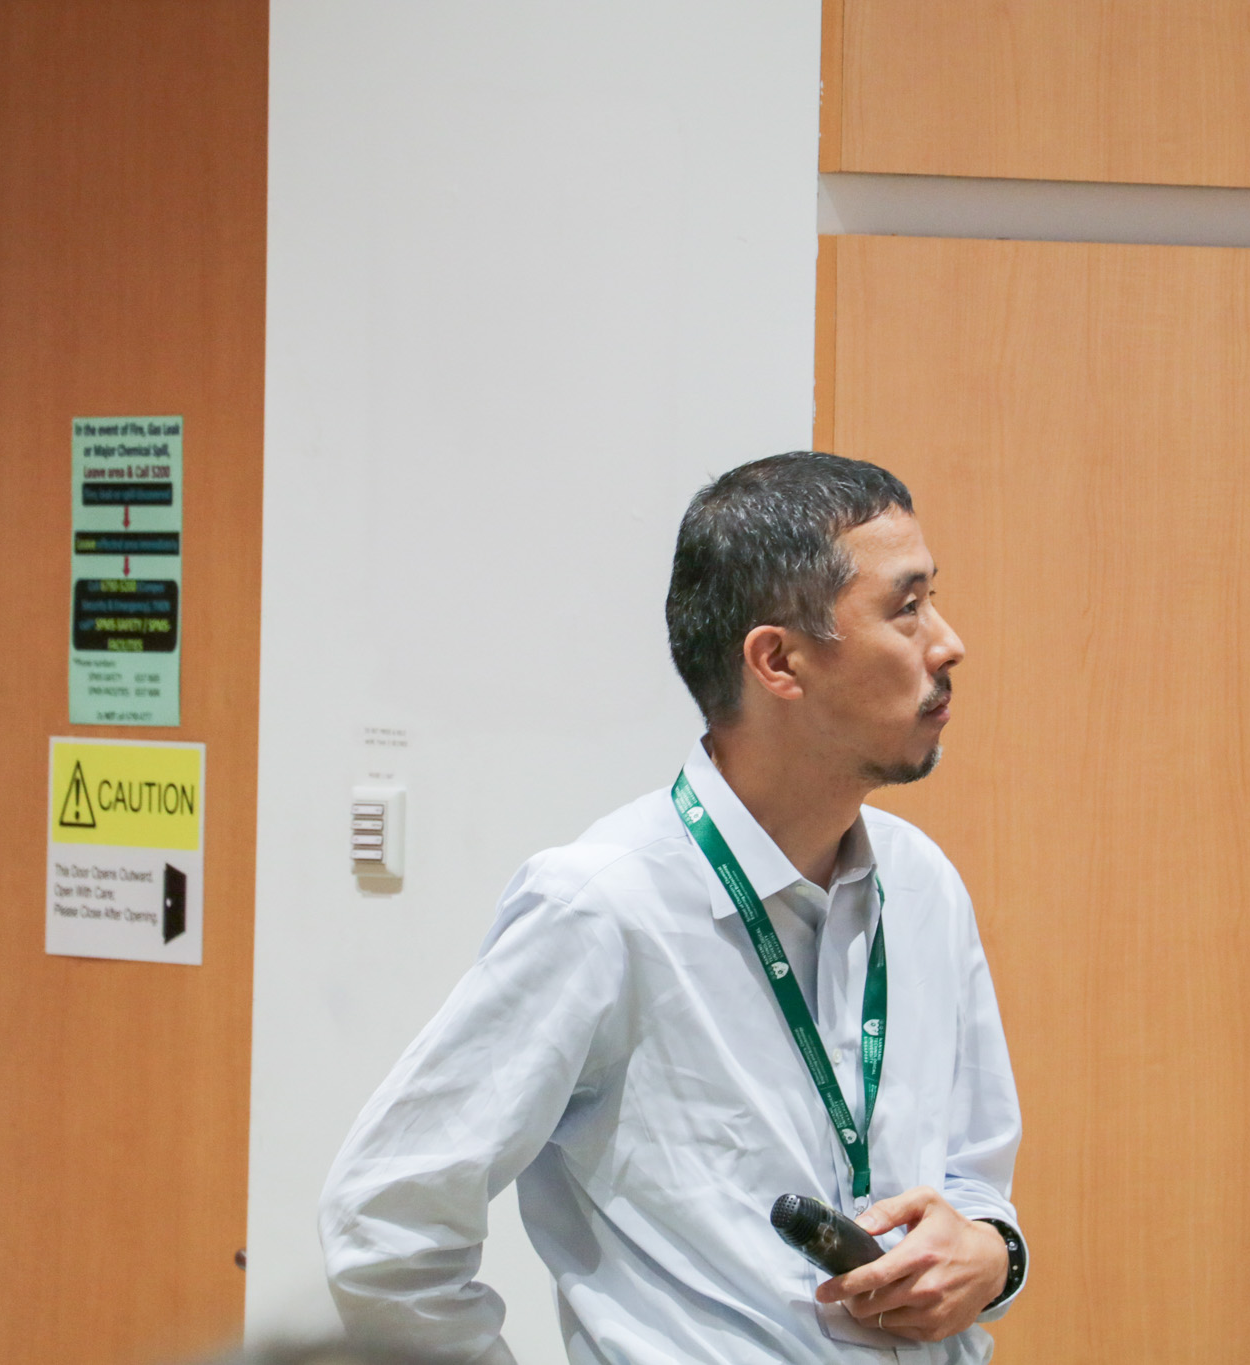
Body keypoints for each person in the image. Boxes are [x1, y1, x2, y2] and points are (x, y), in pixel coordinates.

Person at [320, 453, 1027, 1363]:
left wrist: (991, 1252)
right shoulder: (600, 906)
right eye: (908, 607)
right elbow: (386, 1219)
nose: (948, 641)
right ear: (779, 660)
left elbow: (976, 1179)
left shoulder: (923, 883)